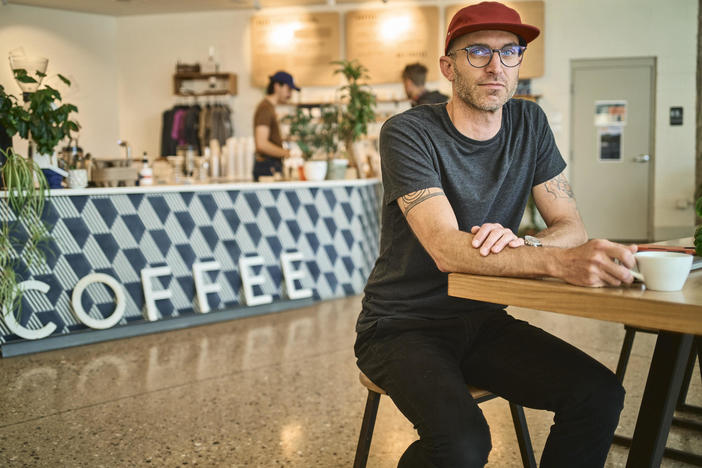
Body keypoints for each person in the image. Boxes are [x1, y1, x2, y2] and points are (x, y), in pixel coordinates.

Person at [355, 2, 637, 467]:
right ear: (448, 66)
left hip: (483, 320)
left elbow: (571, 226)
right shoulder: (408, 133)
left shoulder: (530, 123)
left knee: (599, 394)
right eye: (478, 52)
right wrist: (557, 260)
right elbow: (446, 247)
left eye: (510, 52)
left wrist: (523, 243)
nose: (496, 66)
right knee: (464, 444)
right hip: (401, 326)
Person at [252, 71, 299, 181]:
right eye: (288, 89)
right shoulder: (265, 109)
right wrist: (287, 153)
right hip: (267, 167)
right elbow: (261, 144)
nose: (290, 94)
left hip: (270, 166)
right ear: (277, 86)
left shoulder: (269, 108)